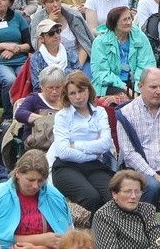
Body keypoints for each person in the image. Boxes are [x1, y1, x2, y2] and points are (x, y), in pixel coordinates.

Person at [114, 67, 160, 207]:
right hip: (139, 172)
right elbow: (129, 154)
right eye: (153, 87)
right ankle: (143, 219)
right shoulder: (126, 114)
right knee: (152, 186)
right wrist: (156, 176)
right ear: (140, 87)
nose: (159, 91)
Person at [0, 149, 72, 249]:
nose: (35, 186)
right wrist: (41, 240)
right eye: (30, 180)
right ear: (17, 173)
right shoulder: (0, 195)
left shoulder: (54, 196)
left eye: (40, 181)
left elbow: (67, 240)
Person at [50, 71, 114, 214]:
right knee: (91, 197)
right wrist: (94, 152)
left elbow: (105, 144)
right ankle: (88, 227)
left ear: (89, 90)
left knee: (112, 196)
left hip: (95, 166)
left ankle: (106, 226)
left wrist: (77, 145)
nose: (78, 97)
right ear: (67, 95)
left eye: (81, 91)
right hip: (66, 166)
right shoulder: (62, 116)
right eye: (72, 93)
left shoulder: (100, 112)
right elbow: (64, 152)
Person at [91, 5, 156, 98]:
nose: (129, 22)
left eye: (129, 18)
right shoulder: (100, 42)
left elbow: (146, 64)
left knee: (156, 95)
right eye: (124, 20)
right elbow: (101, 73)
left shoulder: (139, 36)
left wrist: (138, 88)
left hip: (137, 81)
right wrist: (126, 88)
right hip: (111, 83)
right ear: (114, 23)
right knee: (123, 99)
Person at [89, 169, 160, 249]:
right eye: (128, 191)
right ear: (114, 194)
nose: (133, 196)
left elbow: (159, 243)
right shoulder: (104, 216)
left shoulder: (147, 209)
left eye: (137, 191)